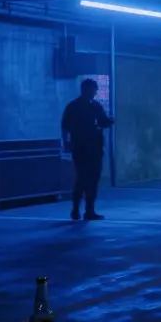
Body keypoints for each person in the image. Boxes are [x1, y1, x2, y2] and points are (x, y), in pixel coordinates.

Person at [61, 78, 114, 221]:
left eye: (95, 90)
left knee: (92, 179)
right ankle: (78, 209)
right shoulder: (75, 106)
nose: (94, 92)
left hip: (94, 147)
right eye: (93, 89)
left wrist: (108, 121)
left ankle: (88, 210)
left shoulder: (94, 106)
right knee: (83, 178)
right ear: (85, 89)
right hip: (82, 147)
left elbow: (102, 121)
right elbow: (65, 126)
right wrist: (66, 143)